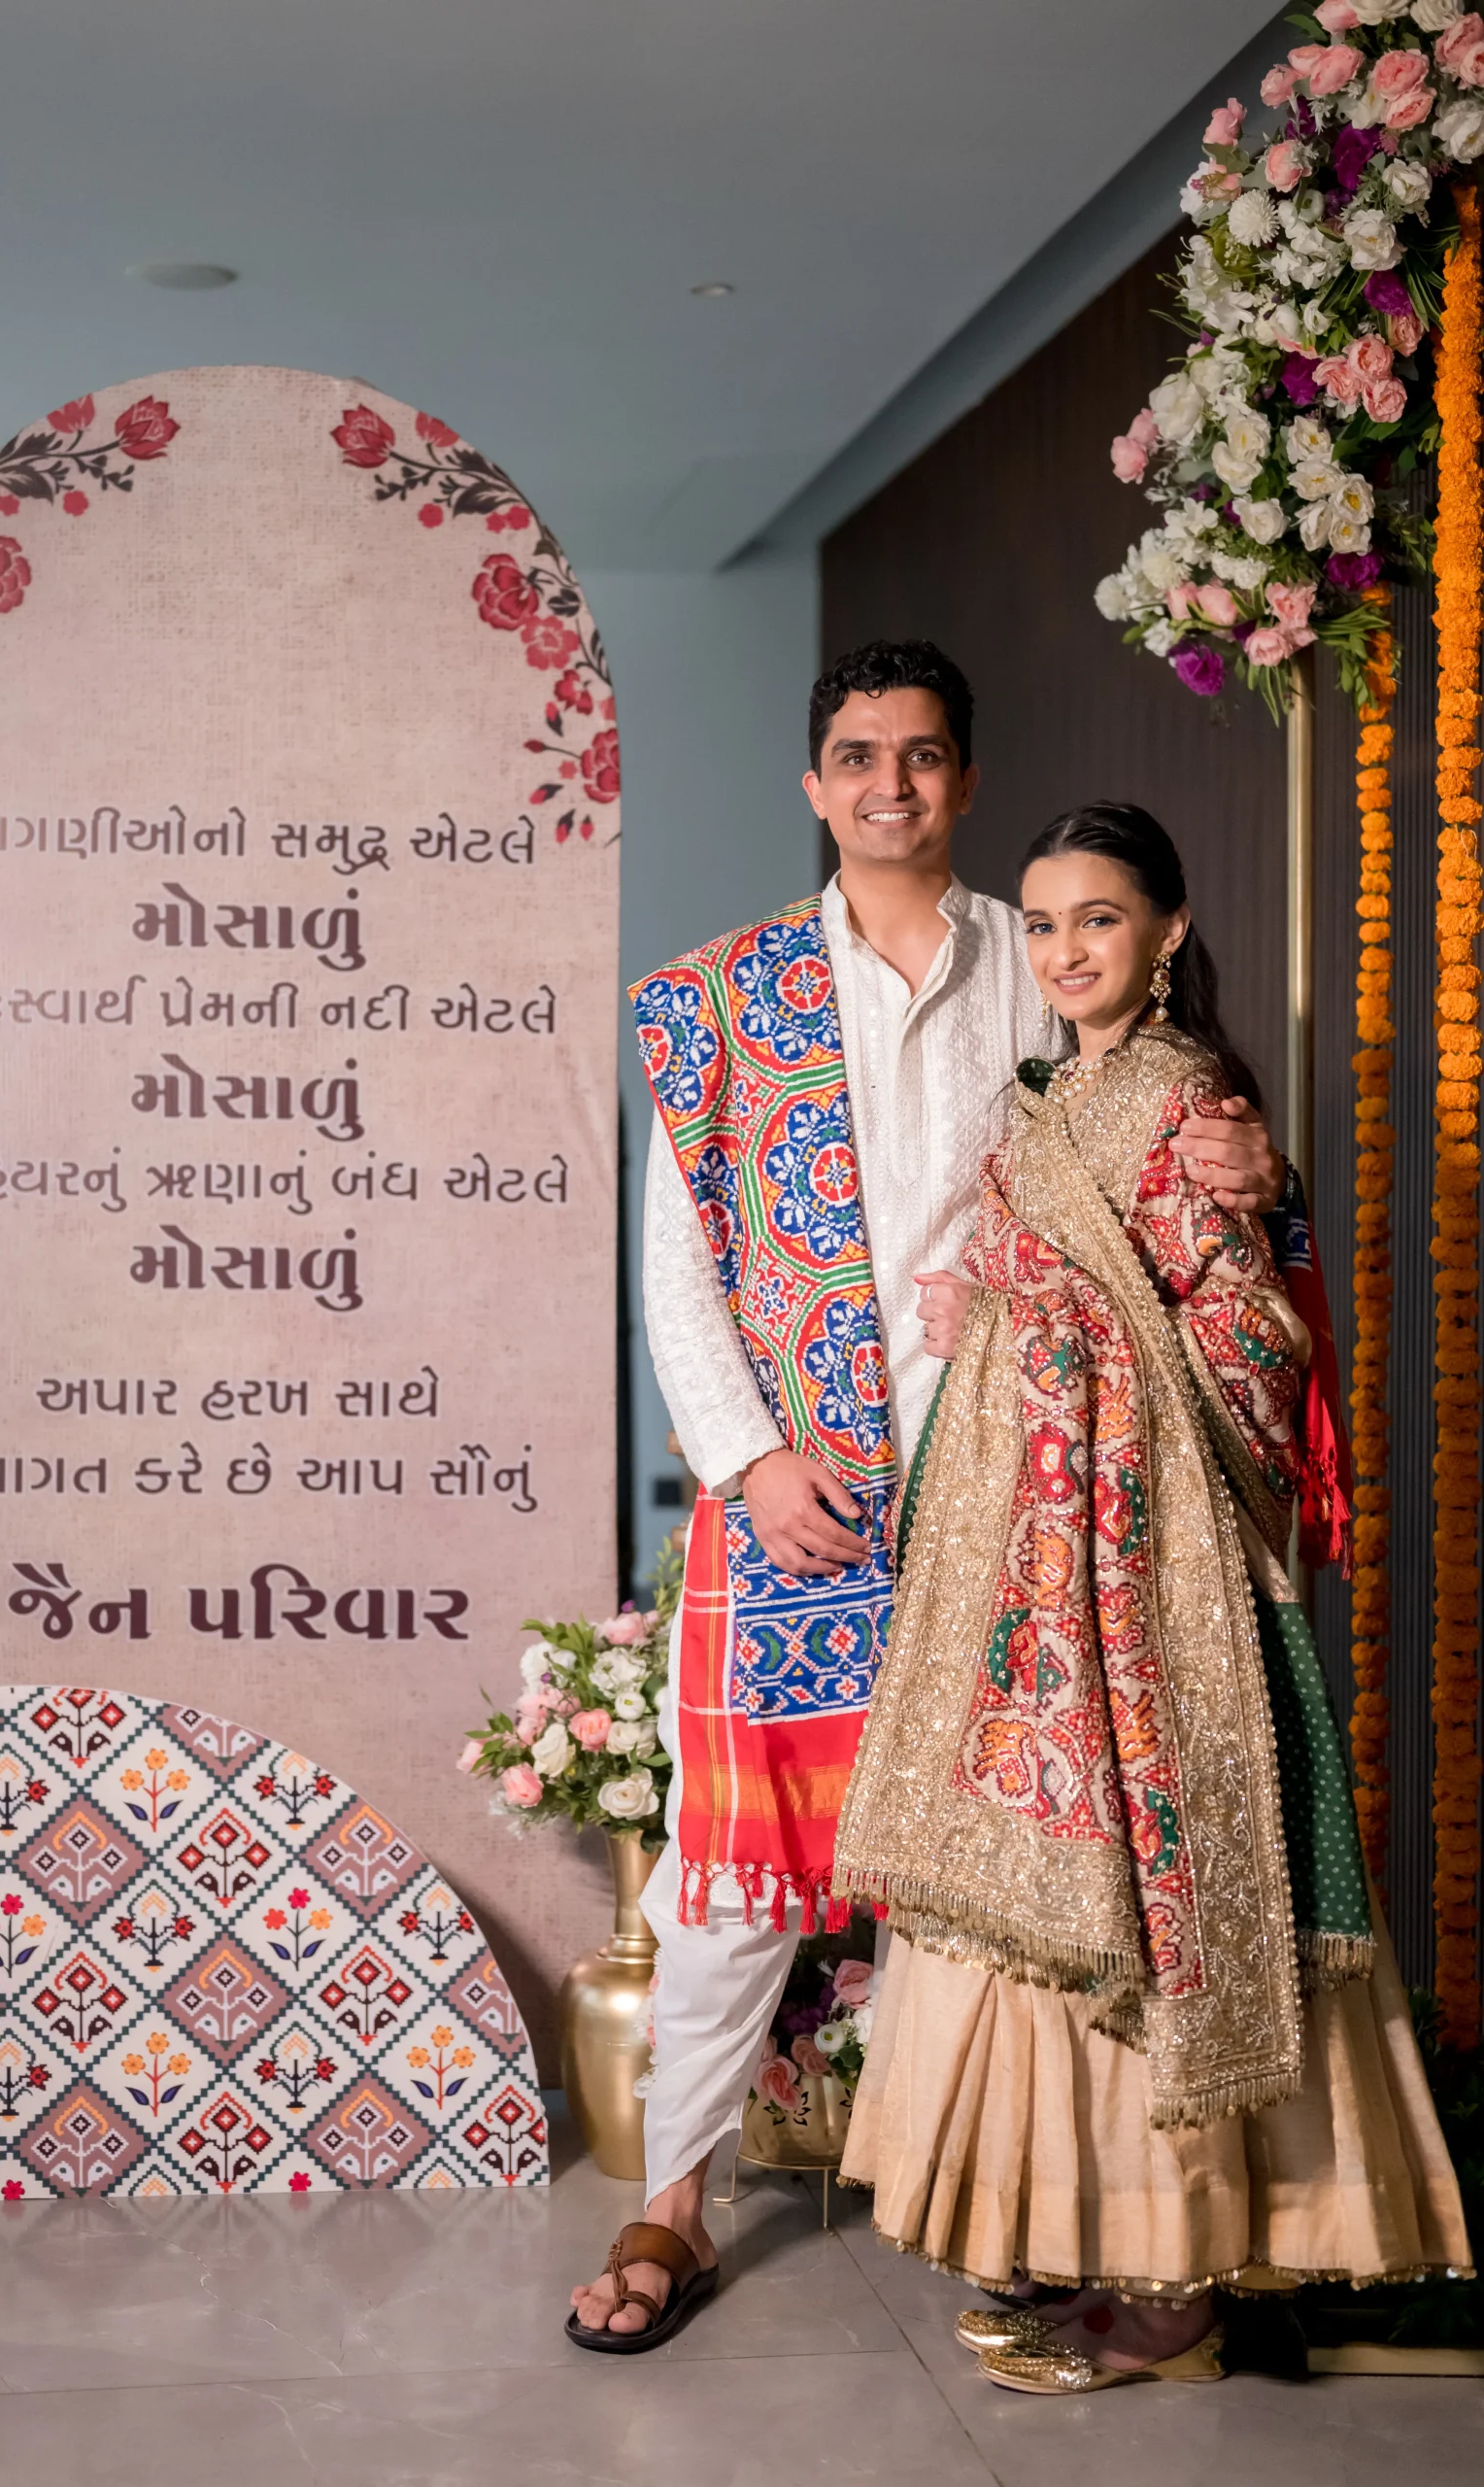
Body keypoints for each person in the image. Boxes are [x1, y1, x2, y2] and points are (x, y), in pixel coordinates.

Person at [567, 649, 1290, 2350]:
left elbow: (1161, 1158)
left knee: (1019, 1858)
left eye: (919, 755)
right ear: (812, 786)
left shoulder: (1039, 966)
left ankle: (1008, 2203)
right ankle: (674, 2205)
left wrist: (1255, 1168)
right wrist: (750, 1462)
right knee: (737, 1865)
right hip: (799, 1493)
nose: (886, 783)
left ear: (961, 780)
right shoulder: (720, 999)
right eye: (854, 755)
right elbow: (678, 1266)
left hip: (1023, 1490)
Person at [831, 802, 1472, 2393]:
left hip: (1147, 1563)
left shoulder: (1188, 1102)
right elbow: (1027, 1278)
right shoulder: (1046, 1095)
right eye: (1045, 923)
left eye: (1099, 919)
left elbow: (1255, 1342)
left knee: (1156, 1876)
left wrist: (1057, 1333)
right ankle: (1075, 2232)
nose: (1065, 952)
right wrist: (993, 1307)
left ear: (1168, 933)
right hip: (1032, 1563)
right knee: (1055, 1891)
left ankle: (1179, 2281)